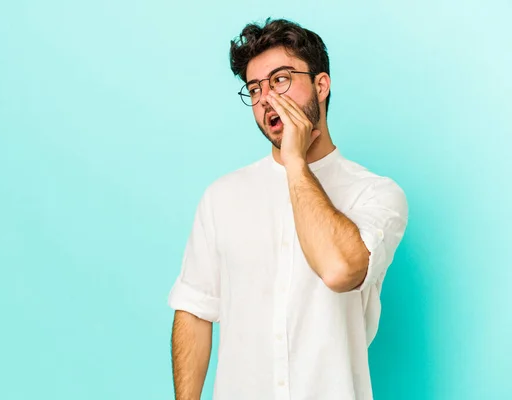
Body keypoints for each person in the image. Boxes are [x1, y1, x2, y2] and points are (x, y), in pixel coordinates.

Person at [167, 17, 409, 400]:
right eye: (254, 88)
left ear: (321, 85)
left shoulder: (376, 194)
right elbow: (194, 310)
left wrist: (295, 162)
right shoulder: (222, 197)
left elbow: (339, 268)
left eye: (280, 80)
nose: (266, 98)